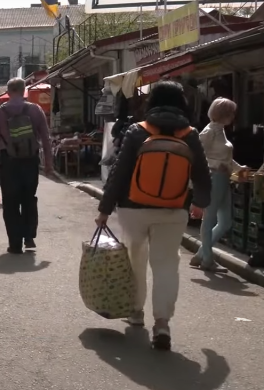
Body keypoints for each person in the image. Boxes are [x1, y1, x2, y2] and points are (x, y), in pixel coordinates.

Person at [96, 80, 212, 350]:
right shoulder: (190, 134)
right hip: (173, 210)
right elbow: (202, 176)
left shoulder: (138, 131)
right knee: (166, 266)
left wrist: (104, 209)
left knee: (136, 260)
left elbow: (119, 172)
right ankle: (162, 323)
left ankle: (136, 311)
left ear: (152, 101)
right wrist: (201, 203)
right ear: (182, 102)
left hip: (133, 208)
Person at [0, 78, 52, 254]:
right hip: (30, 160)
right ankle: (29, 236)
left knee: (11, 202)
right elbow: (46, 138)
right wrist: (49, 164)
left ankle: (15, 244)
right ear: (24, 91)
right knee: (29, 198)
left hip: (9, 162)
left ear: (8, 91)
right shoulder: (35, 110)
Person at [190, 98, 248, 272]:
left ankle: (202, 253)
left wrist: (239, 168)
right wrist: (216, 165)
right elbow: (198, 156)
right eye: (231, 113)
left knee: (225, 221)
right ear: (224, 114)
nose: (233, 116)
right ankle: (207, 259)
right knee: (210, 219)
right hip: (214, 178)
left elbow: (225, 158)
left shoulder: (219, 130)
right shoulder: (210, 132)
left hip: (223, 178)